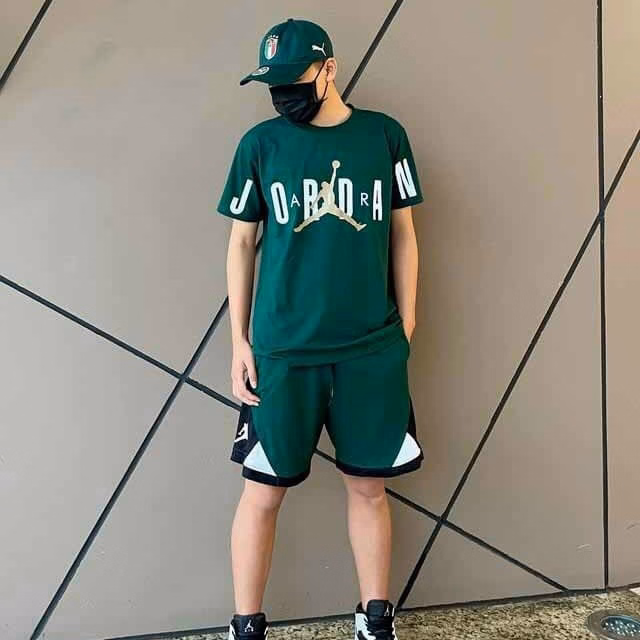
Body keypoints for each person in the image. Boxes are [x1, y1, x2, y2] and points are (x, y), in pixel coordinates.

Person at [216, 17, 425, 640]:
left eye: (293, 79)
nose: (283, 94)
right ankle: (246, 626)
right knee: (262, 490)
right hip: (283, 351)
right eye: (272, 84)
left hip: (370, 349)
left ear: (329, 69)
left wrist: (408, 321)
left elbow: (405, 233)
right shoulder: (260, 145)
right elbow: (241, 242)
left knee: (369, 488)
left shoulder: (384, 136)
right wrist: (239, 341)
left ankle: (375, 619)